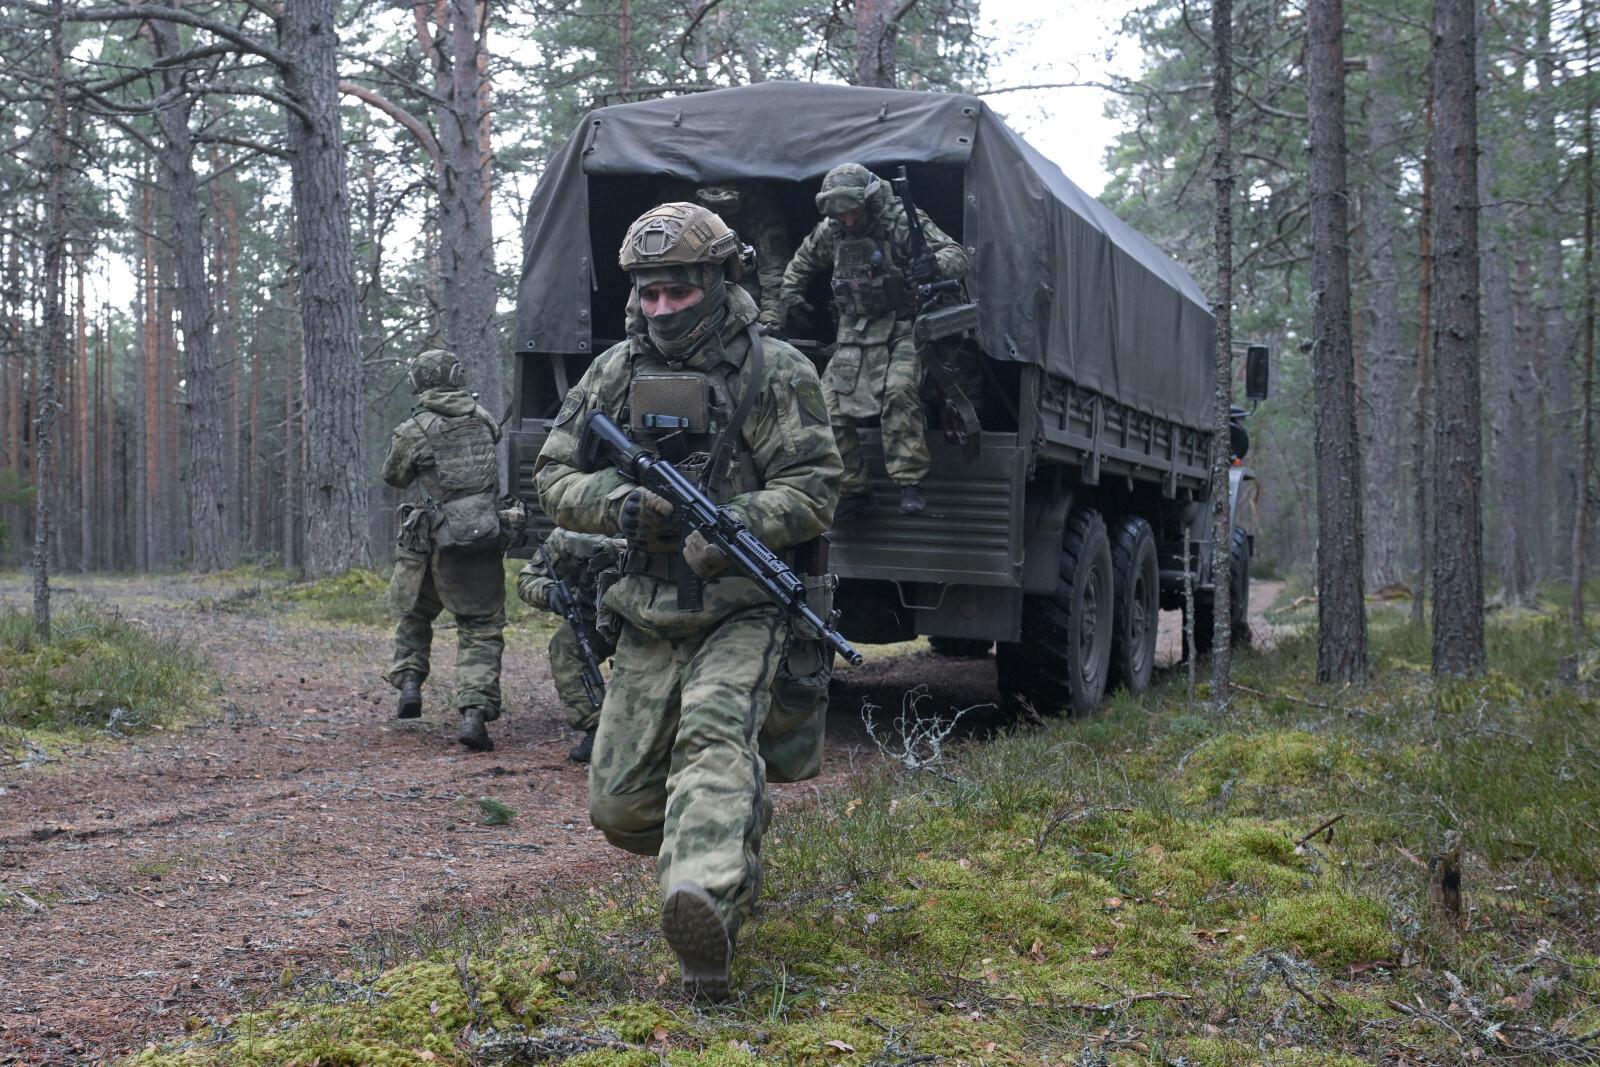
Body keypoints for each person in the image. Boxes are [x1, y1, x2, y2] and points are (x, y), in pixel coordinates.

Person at [535, 202, 841, 1000]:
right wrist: (620, 505)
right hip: (645, 607)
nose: (661, 309)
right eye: (648, 294)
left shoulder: (777, 372)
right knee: (621, 806)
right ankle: (732, 824)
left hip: (743, 603)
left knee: (712, 736)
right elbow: (553, 474)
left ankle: (705, 913)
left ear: (715, 279)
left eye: (677, 291)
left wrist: (737, 523)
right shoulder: (612, 373)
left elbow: (814, 486)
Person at [776, 162, 971, 518]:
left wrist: (934, 266)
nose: (848, 222)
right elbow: (800, 263)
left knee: (898, 391)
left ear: (868, 203)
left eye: (853, 213)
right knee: (821, 406)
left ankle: (909, 480)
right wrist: (791, 298)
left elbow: (956, 255)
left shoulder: (898, 221)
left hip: (905, 327)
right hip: (853, 332)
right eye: (841, 216)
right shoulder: (831, 231)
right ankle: (854, 490)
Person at [382, 349, 511, 753]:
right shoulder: (484, 417)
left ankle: (409, 684)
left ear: (420, 382)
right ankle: (474, 713)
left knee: (415, 614)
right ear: (456, 376)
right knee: (481, 628)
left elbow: (395, 476)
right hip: (481, 536)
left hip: (430, 541)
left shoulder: (414, 428)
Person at [515, 528, 623, 763]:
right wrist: (551, 593)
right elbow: (527, 579)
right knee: (565, 647)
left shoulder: (657, 521)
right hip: (595, 617)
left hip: (648, 620)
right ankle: (597, 729)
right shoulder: (570, 533)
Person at [695, 184, 792, 328]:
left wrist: (771, 317)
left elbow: (773, 266)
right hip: (696, 293)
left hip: (745, 295)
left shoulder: (759, 209)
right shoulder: (680, 204)